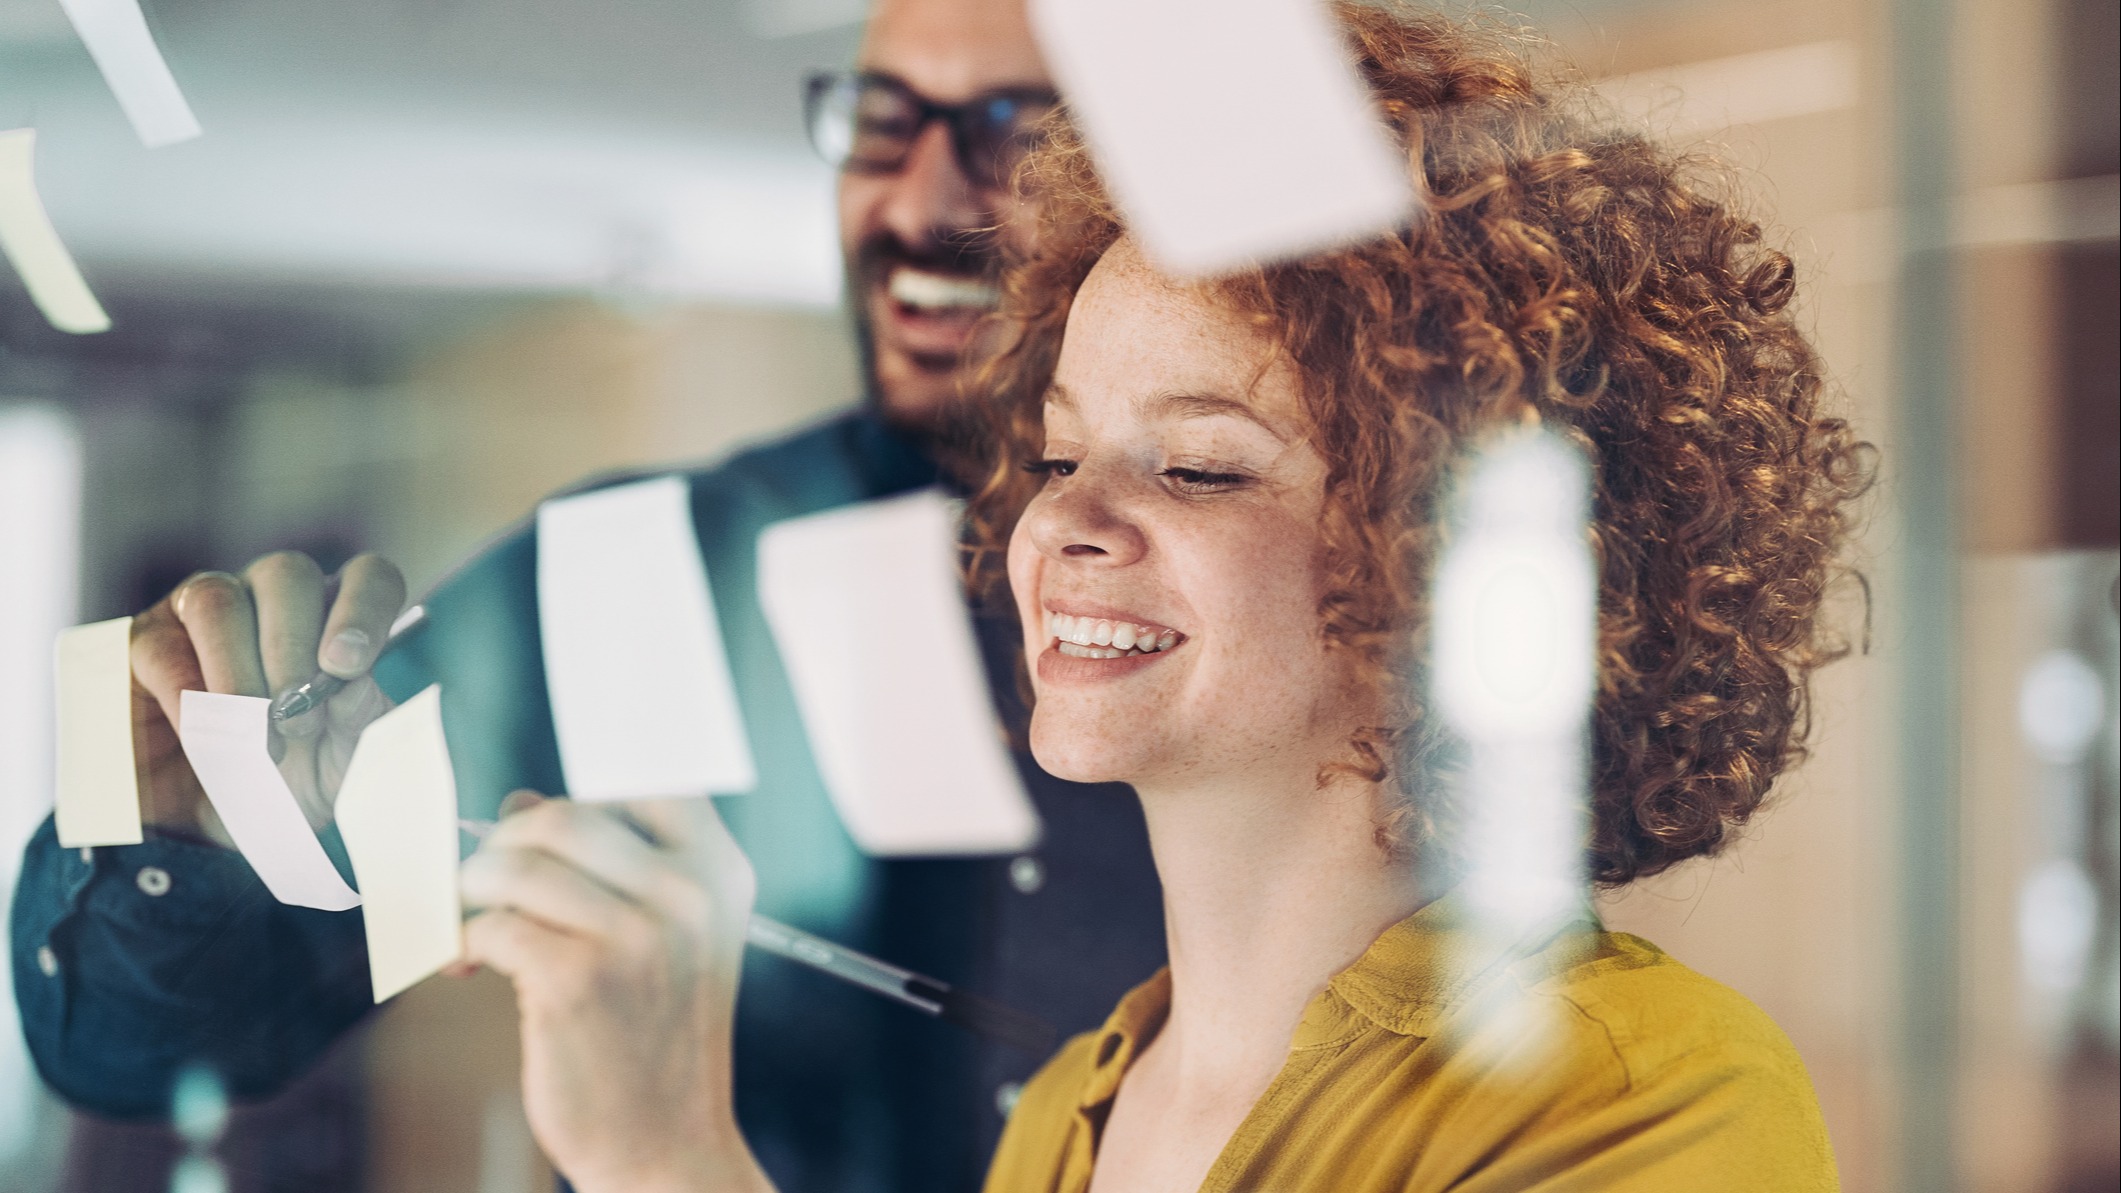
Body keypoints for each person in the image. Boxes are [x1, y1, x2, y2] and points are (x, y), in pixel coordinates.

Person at [443, 4, 1875, 1190]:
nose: (1059, 518)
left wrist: (669, 1159)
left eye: (1197, 468)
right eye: (1062, 448)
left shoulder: (1640, 1097)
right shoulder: (1070, 1107)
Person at [9, 0, 1165, 1188]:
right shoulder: (641, 571)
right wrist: (166, 843)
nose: (921, 204)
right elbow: (144, 1051)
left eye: (1015, 128)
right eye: (883, 121)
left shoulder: (1324, 598)